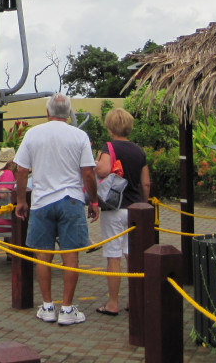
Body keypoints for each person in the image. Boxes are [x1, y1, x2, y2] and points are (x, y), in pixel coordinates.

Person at [14, 94, 99, 326]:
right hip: (71, 199)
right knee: (70, 254)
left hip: (41, 201)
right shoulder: (79, 135)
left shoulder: (33, 134)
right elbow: (88, 172)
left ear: (47, 111)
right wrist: (93, 201)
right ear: (69, 112)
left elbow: (21, 170)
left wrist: (21, 200)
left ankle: (48, 306)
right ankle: (68, 309)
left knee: (43, 254)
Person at [93, 107, 150, 317]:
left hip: (114, 208)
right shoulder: (139, 151)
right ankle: (135, 300)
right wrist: (144, 204)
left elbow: (103, 170)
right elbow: (145, 184)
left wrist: (96, 163)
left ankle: (113, 303)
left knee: (113, 256)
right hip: (135, 210)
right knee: (132, 256)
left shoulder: (108, 147)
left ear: (110, 127)